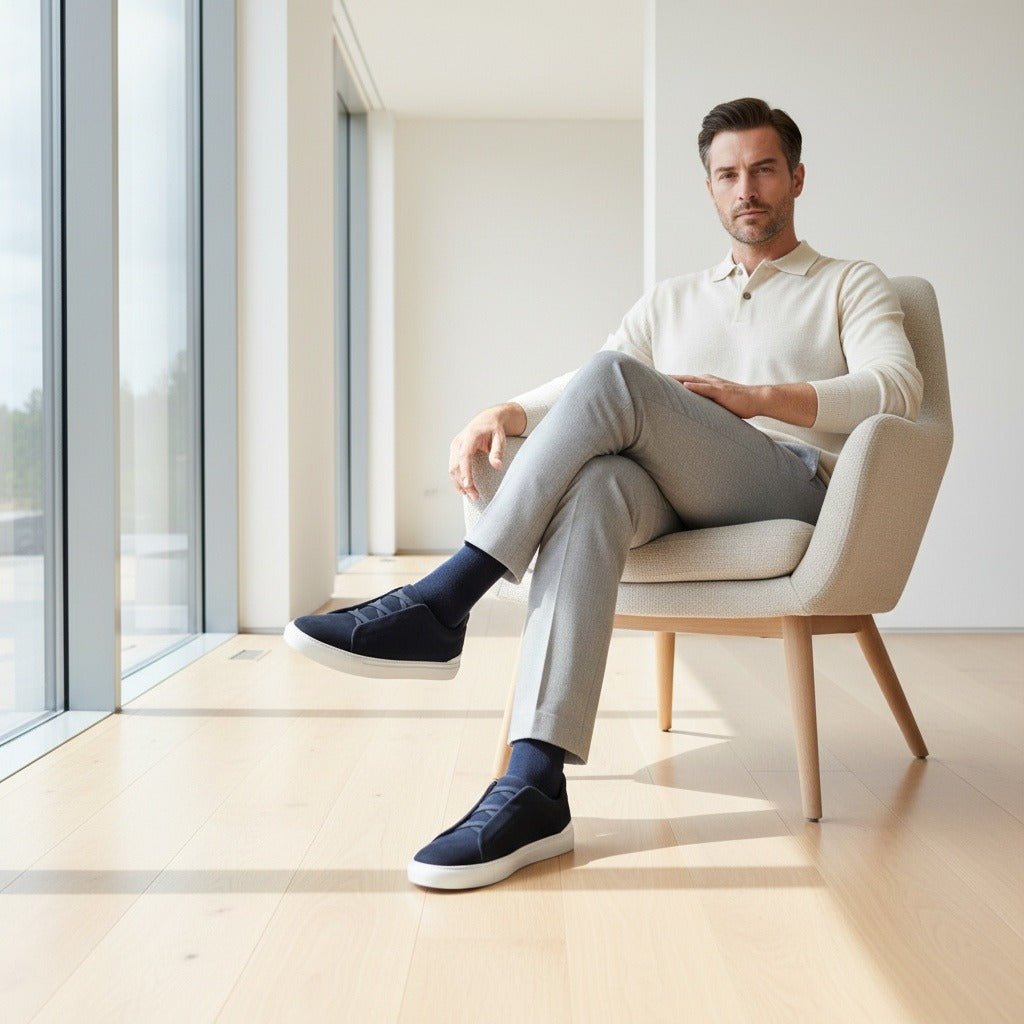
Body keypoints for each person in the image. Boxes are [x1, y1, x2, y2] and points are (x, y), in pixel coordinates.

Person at [284, 97, 923, 891]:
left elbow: (898, 388)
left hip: (786, 487)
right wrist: (508, 410)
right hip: (673, 491)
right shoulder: (673, 300)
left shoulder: (845, 283)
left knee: (621, 381)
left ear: (796, 177)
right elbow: (592, 384)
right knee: (596, 483)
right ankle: (533, 785)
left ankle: (446, 599)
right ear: (711, 188)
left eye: (763, 169)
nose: (746, 188)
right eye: (727, 174)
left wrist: (757, 398)